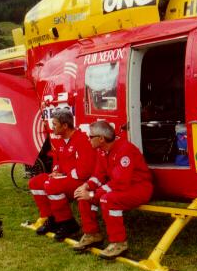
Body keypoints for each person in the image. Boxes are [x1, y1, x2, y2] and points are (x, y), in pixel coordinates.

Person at [73, 121, 153, 259]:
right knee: (83, 196)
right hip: (121, 186)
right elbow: (98, 175)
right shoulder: (102, 150)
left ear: (101, 139)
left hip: (139, 188)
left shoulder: (124, 150)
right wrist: (86, 186)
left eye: (90, 136)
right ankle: (92, 234)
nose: (88, 139)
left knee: (107, 199)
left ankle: (119, 243)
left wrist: (92, 194)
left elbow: (120, 183)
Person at [29, 108, 96, 241]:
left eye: (54, 124)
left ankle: (68, 223)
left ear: (65, 126)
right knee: (35, 183)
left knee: (51, 185)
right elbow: (57, 161)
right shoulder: (60, 141)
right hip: (66, 178)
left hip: (81, 181)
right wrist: (55, 171)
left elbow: (85, 171)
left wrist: (63, 175)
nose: (52, 127)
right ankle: (52, 218)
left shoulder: (81, 140)